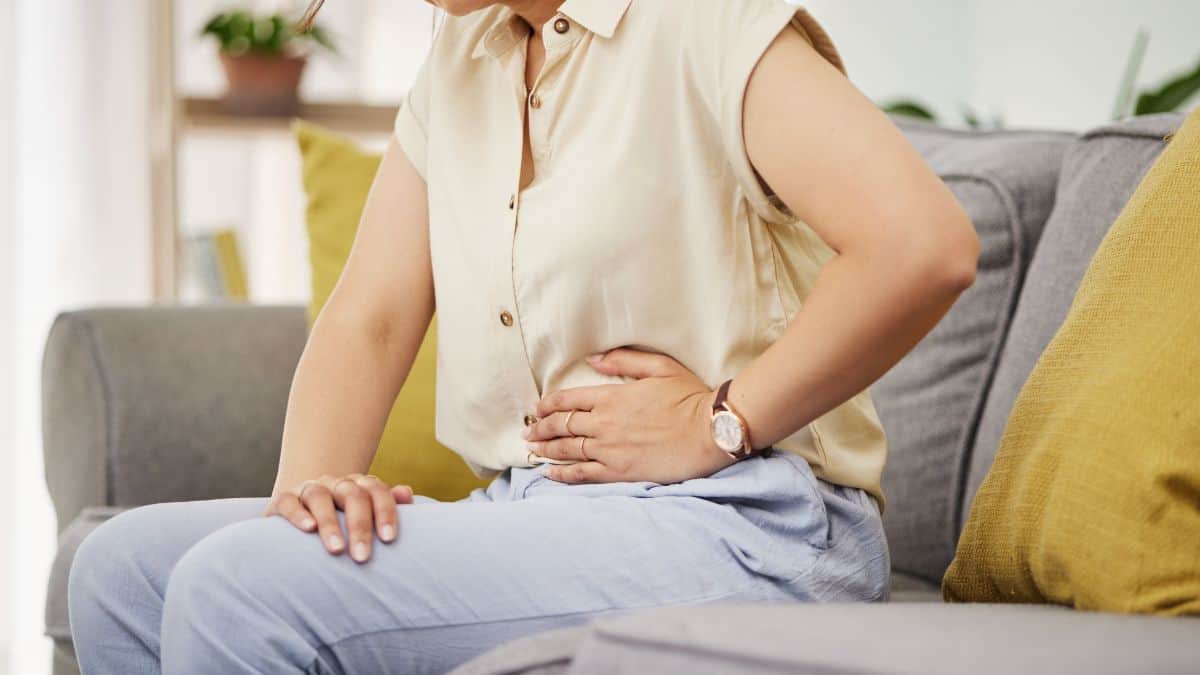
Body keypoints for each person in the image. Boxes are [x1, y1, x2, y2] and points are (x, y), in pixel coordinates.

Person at [68, 0, 979, 673]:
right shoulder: (463, 58)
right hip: (539, 505)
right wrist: (305, 501)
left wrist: (718, 421)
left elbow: (922, 245)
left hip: (753, 523)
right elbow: (370, 317)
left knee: (239, 589)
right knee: (122, 569)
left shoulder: (706, 23)